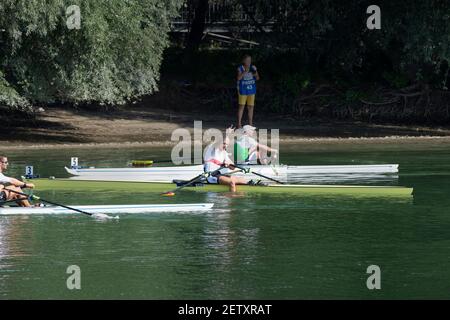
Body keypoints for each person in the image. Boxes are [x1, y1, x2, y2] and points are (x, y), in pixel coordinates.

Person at [236, 54, 260, 128]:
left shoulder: (253, 68)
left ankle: (250, 124)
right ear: (243, 61)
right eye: (247, 60)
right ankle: (239, 124)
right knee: (241, 106)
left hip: (251, 90)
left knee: (251, 107)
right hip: (243, 90)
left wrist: (255, 73)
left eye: (250, 60)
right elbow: (238, 78)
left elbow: (258, 78)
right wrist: (244, 72)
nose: (249, 61)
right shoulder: (240, 68)